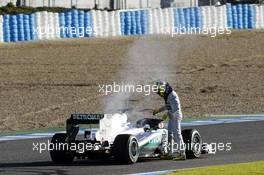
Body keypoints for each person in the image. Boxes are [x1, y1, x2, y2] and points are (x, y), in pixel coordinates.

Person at [153, 80, 186, 160]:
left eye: (159, 90)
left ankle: (182, 154)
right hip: (172, 116)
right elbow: (167, 106)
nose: (159, 93)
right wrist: (158, 110)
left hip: (175, 116)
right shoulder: (168, 95)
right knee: (169, 134)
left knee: (177, 135)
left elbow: (175, 109)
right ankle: (169, 153)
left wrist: (166, 114)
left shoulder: (172, 95)